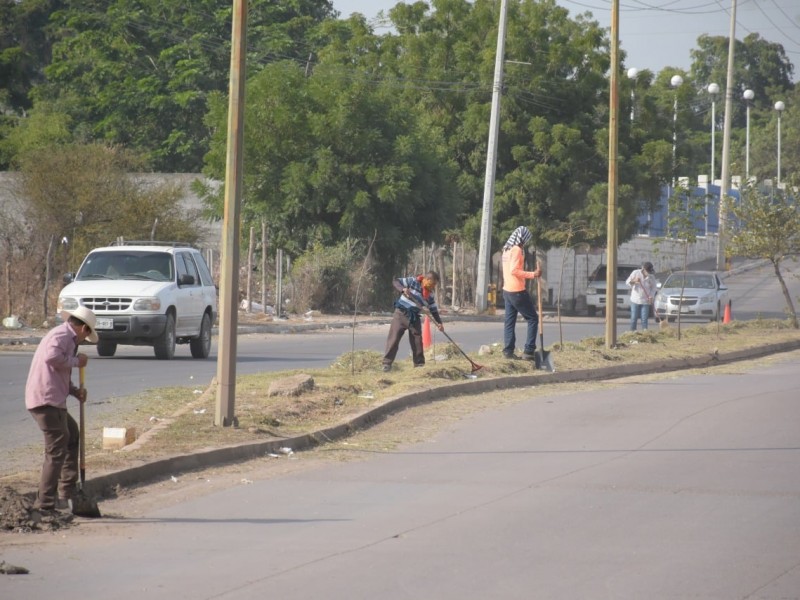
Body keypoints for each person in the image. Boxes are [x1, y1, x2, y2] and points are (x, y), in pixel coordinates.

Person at [25, 306, 98, 512]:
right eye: (86, 335)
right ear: (83, 328)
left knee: (72, 435)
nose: (84, 340)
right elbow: (51, 358)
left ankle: (67, 493)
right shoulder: (62, 335)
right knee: (57, 449)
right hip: (45, 401)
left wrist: (74, 391)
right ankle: (45, 504)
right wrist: (77, 362)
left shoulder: (65, 337)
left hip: (54, 400)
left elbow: (58, 372)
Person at [382, 271, 445, 372]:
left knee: (417, 342)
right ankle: (387, 364)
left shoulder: (430, 295)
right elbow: (395, 281)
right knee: (393, 339)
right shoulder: (413, 281)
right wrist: (403, 289)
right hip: (401, 314)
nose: (433, 286)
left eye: (435, 285)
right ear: (427, 280)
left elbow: (433, 310)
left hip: (414, 317)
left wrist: (439, 323)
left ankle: (419, 365)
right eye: (432, 283)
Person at [501, 226, 542, 361]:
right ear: (522, 238)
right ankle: (529, 351)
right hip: (517, 291)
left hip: (507, 290)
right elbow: (514, 270)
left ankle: (508, 351)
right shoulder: (517, 250)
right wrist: (533, 274)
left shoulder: (506, 250)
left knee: (509, 321)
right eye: (525, 239)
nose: (525, 243)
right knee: (533, 319)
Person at [626, 261, 658, 330]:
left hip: (645, 301)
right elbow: (628, 282)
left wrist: (651, 296)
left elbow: (654, 288)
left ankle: (645, 333)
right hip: (635, 300)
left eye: (650, 272)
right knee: (634, 318)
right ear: (643, 269)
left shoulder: (651, 277)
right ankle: (632, 333)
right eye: (647, 271)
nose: (648, 273)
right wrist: (634, 281)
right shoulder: (635, 273)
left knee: (644, 319)